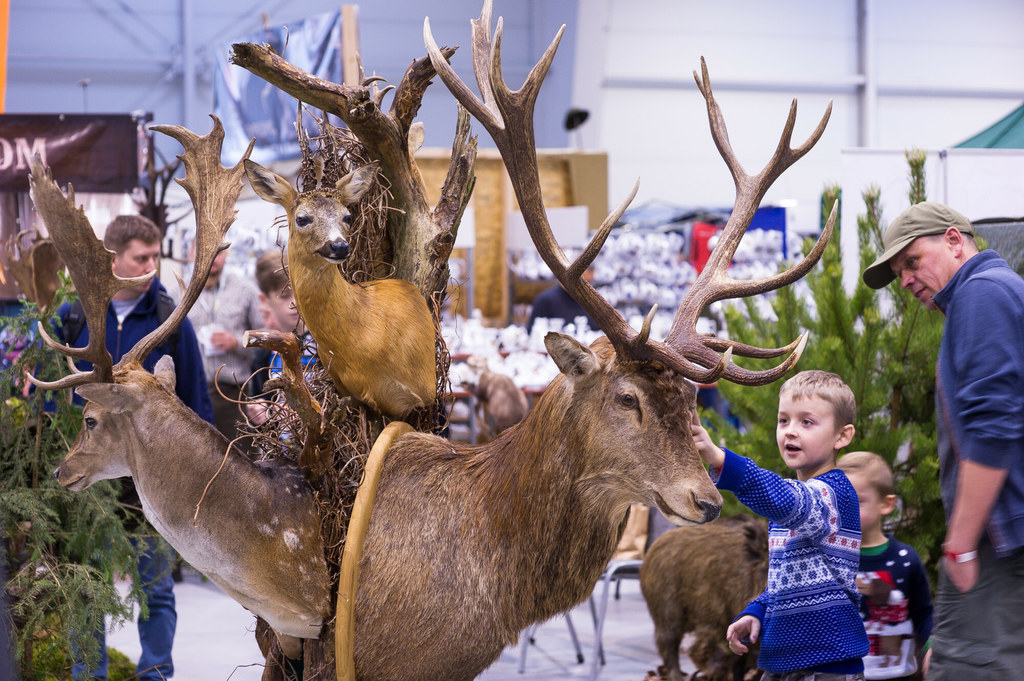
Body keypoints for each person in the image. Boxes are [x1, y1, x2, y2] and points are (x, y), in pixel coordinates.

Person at [861, 201, 1024, 679]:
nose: (906, 280)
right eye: (898, 273)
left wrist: (961, 541)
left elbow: (994, 426)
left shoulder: (982, 293)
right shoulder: (994, 292)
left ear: (955, 241)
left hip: (997, 540)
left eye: (912, 262)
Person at [58, 214, 214, 681]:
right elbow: (47, 392)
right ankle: (88, 673)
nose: (151, 265)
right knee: (85, 586)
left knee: (155, 587)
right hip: (88, 477)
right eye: (141, 257)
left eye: (155, 256)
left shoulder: (170, 321)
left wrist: (197, 480)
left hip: (148, 487)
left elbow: (195, 403)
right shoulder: (73, 314)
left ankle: (155, 673)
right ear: (113, 260)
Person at [690, 369, 869, 680]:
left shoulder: (833, 494)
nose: (790, 431)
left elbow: (787, 500)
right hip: (782, 663)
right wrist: (758, 611)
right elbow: (784, 582)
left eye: (807, 422)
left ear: (842, 435)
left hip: (826, 664)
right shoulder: (791, 506)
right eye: (783, 420)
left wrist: (720, 459)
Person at [837, 451, 933, 680]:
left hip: (899, 674)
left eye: (857, 501)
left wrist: (932, 647)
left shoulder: (905, 559)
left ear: (886, 504)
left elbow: (923, 613)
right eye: (838, 501)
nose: (844, 510)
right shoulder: (832, 559)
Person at [183, 244, 263, 442]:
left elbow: (266, 337)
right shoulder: (178, 292)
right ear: (191, 254)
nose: (213, 258)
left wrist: (236, 342)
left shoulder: (246, 290)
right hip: (191, 396)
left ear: (226, 254)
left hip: (234, 396)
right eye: (205, 249)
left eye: (218, 252)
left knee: (239, 463)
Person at [246, 248, 316, 426]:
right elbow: (261, 419)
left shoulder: (324, 345)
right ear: (264, 300)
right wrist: (260, 414)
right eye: (284, 296)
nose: (293, 303)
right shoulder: (264, 356)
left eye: (298, 292)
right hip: (281, 451)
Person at [527, 266, 596, 332]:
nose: (586, 287)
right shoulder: (545, 301)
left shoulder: (594, 302)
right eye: (581, 282)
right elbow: (532, 332)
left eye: (589, 283)